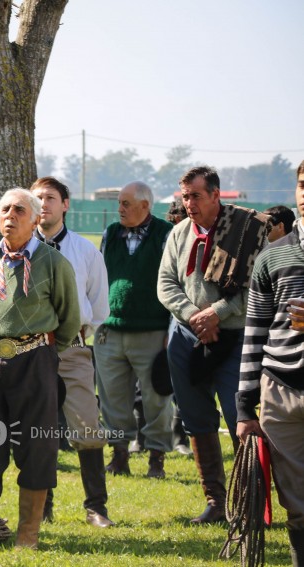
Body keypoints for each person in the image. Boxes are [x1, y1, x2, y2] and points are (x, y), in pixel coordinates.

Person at [0, 188, 80, 551]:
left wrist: (41, 352)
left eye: (18, 210)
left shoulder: (53, 262)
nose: (9, 216)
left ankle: (28, 534)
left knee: (37, 443)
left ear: (35, 218)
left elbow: (69, 318)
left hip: (35, 362)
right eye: (3, 210)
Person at [158, 165, 270, 524]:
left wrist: (218, 313)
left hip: (236, 337)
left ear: (215, 195)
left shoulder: (250, 230)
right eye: (185, 196)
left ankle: (249, 504)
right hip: (187, 336)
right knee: (196, 418)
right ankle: (217, 502)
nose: (189, 203)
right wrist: (195, 316)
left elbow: (259, 285)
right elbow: (165, 284)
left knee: (243, 419)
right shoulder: (178, 234)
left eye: (196, 196)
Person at [31, 177, 113, 528]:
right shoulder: (19, 250)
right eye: (37, 199)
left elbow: (99, 303)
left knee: (88, 426)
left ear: (66, 204)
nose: (43, 204)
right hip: (30, 351)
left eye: (51, 198)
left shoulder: (85, 250)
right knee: (38, 429)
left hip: (73, 349)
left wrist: (77, 330)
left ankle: (96, 507)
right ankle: (41, 506)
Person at [236, 159, 304, 566]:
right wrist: (245, 406)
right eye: (301, 183)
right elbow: (254, 335)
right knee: (295, 496)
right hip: (279, 391)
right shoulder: (271, 257)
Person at [96, 181, 174, 479]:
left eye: (126, 204)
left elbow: (175, 280)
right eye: (119, 203)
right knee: (113, 398)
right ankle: (119, 456)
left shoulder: (165, 234)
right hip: (110, 331)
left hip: (153, 332)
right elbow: (100, 277)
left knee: (156, 399)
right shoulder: (111, 234)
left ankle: (156, 459)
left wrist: (171, 328)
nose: (120, 209)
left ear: (145, 206)